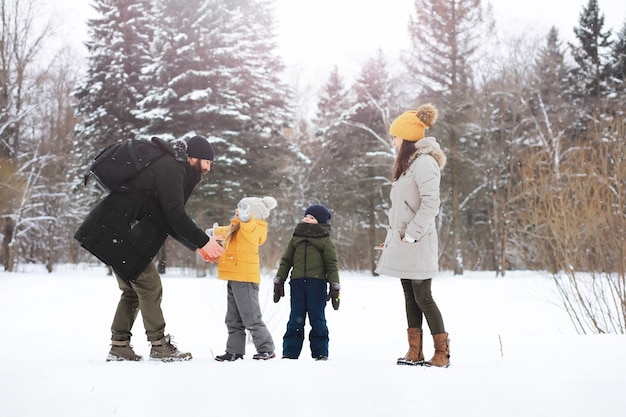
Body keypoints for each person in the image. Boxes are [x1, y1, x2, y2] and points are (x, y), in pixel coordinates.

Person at [75, 135, 224, 362]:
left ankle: (119, 346)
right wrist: (204, 241)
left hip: (110, 231)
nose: (208, 168)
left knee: (133, 290)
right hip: (113, 232)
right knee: (150, 286)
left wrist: (198, 247)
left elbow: (168, 218)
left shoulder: (175, 169)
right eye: (207, 162)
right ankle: (159, 345)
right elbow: (175, 214)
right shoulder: (172, 168)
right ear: (194, 158)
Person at [374, 104, 450, 367]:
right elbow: (402, 210)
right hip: (405, 240)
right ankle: (414, 351)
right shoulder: (410, 164)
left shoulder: (425, 163)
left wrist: (412, 235)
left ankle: (442, 353)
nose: (393, 142)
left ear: (406, 137)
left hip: (418, 241)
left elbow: (431, 204)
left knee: (423, 297)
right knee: (410, 295)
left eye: (395, 137)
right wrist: (393, 238)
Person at [210, 196, 278, 362]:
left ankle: (266, 349)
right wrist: (213, 232)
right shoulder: (236, 228)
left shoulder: (253, 229)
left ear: (251, 214)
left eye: (241, 209)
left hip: (245, 278)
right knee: (232, 319)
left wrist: (247, 217)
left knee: (251, 317)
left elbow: (249, 227)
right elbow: (225, 230)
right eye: (237, 209)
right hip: (234, 277)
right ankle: (234, 351)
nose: (237, 211)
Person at [273, 204, 340, 361]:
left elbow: (332, 264)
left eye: (312, 218)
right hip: (297, 284)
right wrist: (279, 280)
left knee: (317, 318)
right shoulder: (295, 238)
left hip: (317, 285)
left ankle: (320, 352)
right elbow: (286, 261)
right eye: (306, 216)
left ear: (320, 222)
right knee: (295, 318)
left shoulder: (325, 241)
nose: (307, 219)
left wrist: (334, 286)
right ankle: (289, 352)